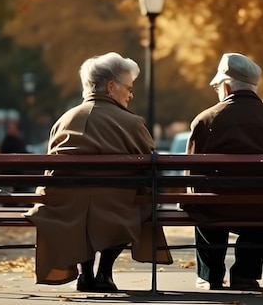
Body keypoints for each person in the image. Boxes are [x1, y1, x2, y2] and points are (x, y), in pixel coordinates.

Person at [24, 52, 172, 291]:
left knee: (84, 207)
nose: (131, 95)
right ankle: (104, 272)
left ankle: (85, 274)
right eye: (129, 88)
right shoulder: (132, 123)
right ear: (111, 86)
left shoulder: (64, 120)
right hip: (118, 209)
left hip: (66, 210)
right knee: (134, 201)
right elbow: (150, 166)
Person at [184, 52, 263, 291]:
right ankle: (245, 273)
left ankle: (210, 274)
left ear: (227, 86)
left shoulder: (205, 120)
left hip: (217, 209)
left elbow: (193, 176)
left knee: (202, 202)